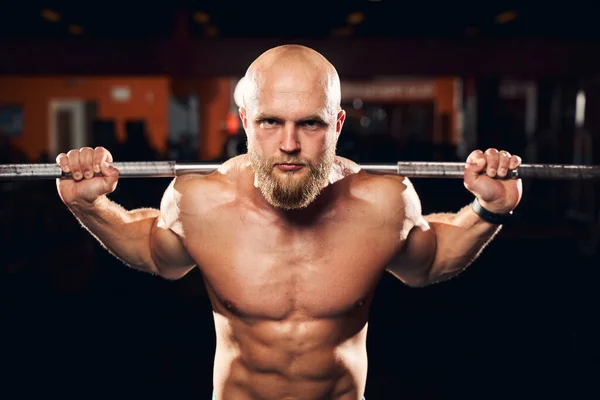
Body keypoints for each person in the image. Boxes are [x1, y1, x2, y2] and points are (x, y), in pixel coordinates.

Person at [55, 45, 523, 400]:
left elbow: (430, 260)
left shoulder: (384, 202)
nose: (290, 144)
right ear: (245, 120)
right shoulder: (199, 200)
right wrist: (88, 207)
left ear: (338, 124)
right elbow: (156, 253)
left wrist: (489, 210)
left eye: (311, 124)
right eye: (270, 122)